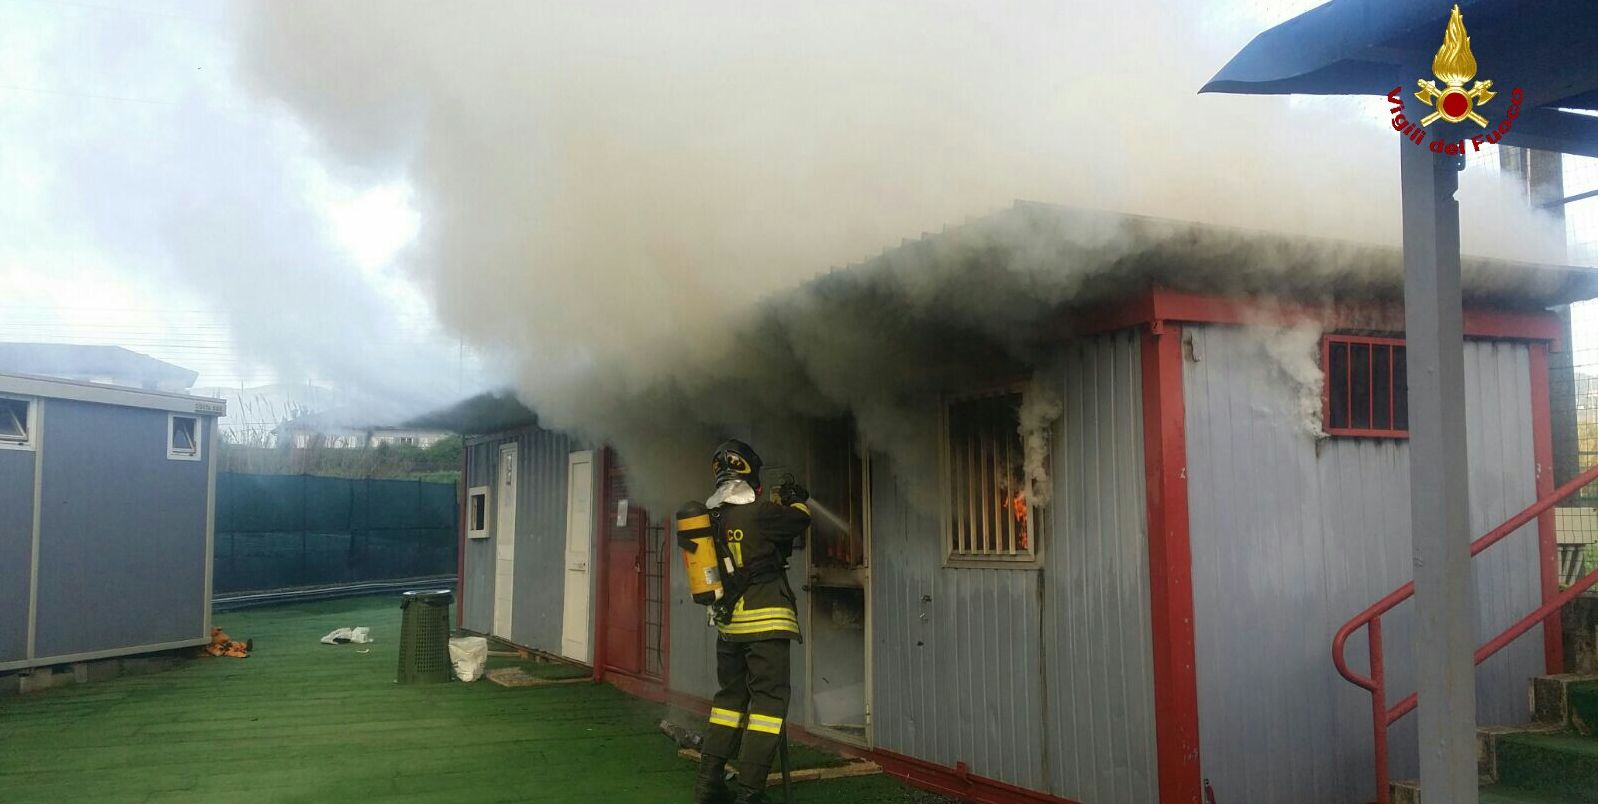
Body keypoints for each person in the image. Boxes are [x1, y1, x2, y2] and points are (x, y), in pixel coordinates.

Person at [679, 439, 810, 804]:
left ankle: (708, 783)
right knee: (768, 706)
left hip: (729, 624)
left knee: (729, 702)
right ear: (753, 481)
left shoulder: (710, 519)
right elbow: (801, 520)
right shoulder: (763, 513)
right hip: (766, 621)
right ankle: (750, 792)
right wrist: (796, 497)